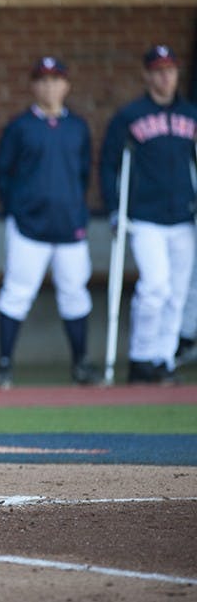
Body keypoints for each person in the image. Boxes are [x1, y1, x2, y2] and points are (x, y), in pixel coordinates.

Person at [0, 57, 102, 388]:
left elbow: (83, 174)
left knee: (75, 293)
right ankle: (5, 364)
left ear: (66, 85)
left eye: (56, 80)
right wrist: (18, 209)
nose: (49, 87)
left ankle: (81, 363)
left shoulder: (77, 126)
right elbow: (3, 174)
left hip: (70, 225)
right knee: (16, 293)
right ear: (33, 85)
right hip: (29, 226)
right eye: (42, 80)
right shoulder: (20, 127)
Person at [100, 44, 197, 385]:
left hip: (184, 217)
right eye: (157, 71)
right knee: (154, 286)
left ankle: (163, 357)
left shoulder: (191, 114)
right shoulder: (130, 116)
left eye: (170, 70)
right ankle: (141, 357)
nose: (165, 77)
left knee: (178, 292)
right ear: (146, 75)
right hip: (145, 216)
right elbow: (110, 164)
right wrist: (114, 208)